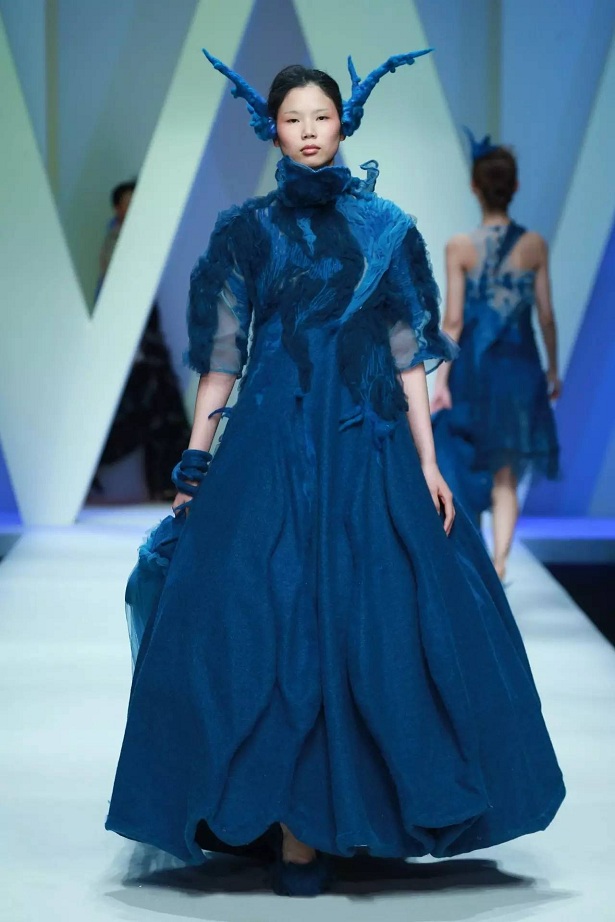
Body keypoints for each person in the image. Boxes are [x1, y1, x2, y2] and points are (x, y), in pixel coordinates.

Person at [105, 53, 564, 897]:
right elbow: (222, 357)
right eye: (293, 120)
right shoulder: (246, 230)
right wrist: (196, 460)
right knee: (264, 619)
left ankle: (346, 818)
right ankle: (293, 831)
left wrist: (427, 459)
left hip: (367, 439)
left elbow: (405, 350)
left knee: (370, 621)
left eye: (321, 117)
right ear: (270, 129)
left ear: (343, 123)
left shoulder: (385, 226)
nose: (309, 131)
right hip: (270, 440)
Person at [431, 132, 560, 580]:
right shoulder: (535, 245)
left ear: (475, 188)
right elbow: (546, 315)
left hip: (472, 369)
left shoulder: (459, 247)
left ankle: (478, 563)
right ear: (515, 187)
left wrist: (440, 381)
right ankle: (500, 561)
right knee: (506, 472)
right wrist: (554, 369)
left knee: (467, 461)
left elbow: (452, 321)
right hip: (519, 370)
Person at [92, 181, 191, 502]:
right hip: (133, 341)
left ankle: (167, 482)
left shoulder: (135, 240)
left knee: (160, 410)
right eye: (127, 203)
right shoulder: (117, 241)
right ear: (117, 208)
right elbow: (115, 294)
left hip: (143, 340)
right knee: (150, 409)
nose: (133, 209)